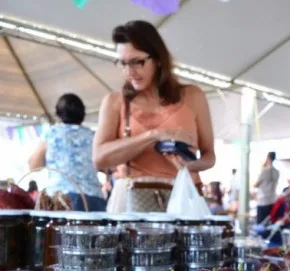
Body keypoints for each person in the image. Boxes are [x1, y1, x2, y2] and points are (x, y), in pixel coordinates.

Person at [92, 20, 215, 213]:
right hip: (132, 202)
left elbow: (210, 156)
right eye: (122, 63)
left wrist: (190, 165)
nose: (129, 72)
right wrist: (155, 135)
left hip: (183, 198)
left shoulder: (193, 96)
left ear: (158, 59)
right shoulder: (115, 101)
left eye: (137, 62)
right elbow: (99, 158)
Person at [29, 93, 107, 211]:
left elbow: (34, 166)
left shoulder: (51, 134)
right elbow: (105, 167)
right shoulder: (93, 136)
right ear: (82, 113)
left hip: (60, 199)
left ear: (58, 113)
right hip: (93, 198)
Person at [254, 152, 280, 224]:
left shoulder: (264, 171)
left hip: (263, 200)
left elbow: (256, 184)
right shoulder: (277, 172)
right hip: (272, 200)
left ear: (268, 157)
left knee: (261, 223)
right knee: (270, 222)